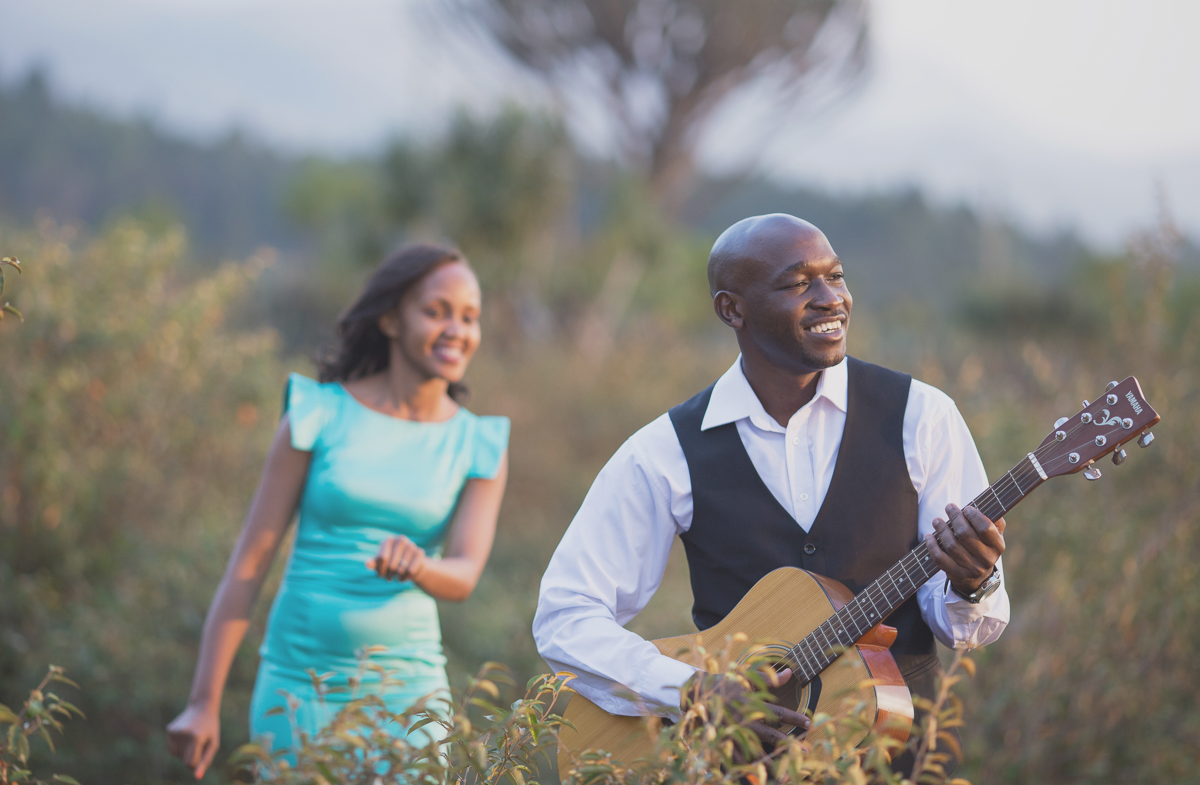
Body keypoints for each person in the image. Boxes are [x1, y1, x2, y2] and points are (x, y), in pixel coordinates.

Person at [533, 214, 1008, 769]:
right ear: (732, 309)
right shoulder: (665, 450)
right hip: (733, 767)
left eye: (836, 276)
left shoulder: (921, 416)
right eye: (799, 283)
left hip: (895, 758)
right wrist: (691, 691)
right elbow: (566, 616)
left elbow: (968, 630)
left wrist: (973, 583)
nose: (832, 299)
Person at [167, 243, 510, 779]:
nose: (457, 330)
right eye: (437, 311)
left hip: (412, 696)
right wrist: (203, 703)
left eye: (469, 317)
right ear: (391, 319)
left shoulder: (479, 444)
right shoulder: (316, 415)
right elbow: (248, 568)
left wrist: (420, 566)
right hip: (298, 688)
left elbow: (464, 574)